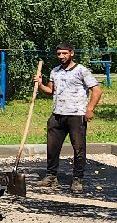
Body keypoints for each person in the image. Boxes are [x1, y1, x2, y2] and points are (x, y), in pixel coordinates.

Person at [34, 44, 101, 192]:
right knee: (52, 147)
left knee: (78, 148)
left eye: (64, 53)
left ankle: (77, 179)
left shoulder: (81, 70)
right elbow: (50, 91)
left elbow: (96, 90)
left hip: (76, 115)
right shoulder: (55, 71)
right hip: (57, 115)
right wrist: (39, 84)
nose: (61, 56)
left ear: (71, 53)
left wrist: (89, 109)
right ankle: (51, 176)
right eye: (59, 54)